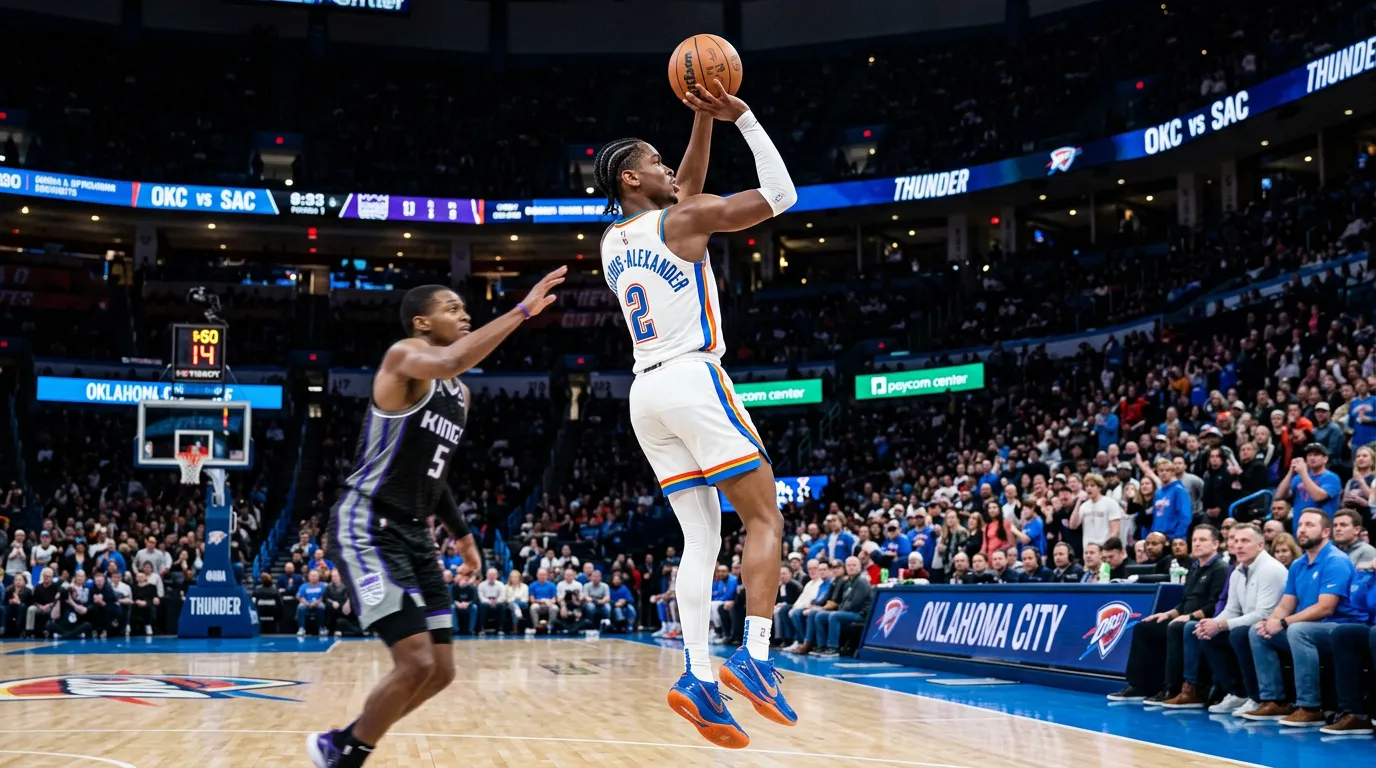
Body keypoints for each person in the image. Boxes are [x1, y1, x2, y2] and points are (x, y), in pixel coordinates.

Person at [594, 75, 798, 748]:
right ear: (630, 178)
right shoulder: (680, 220)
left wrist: (699, 122)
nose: (666, 168)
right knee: (765, 517)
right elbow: (780, 196)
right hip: (692, 377)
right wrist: (741, 116)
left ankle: (698, 677)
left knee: (701, 540)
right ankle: (757, 658)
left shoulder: (613, 241)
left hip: (644, 397)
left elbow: (684, 184)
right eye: (652, 161)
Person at [309, 271, 564, 768]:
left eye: (464, 308)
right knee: (416, 660)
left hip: (414, 530)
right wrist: (522, 312)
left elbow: (436, 473)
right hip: (367, 523)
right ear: (422, 322)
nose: (464, 313)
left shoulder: (459, 395)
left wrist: (464, 535)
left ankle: (343, 743)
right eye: (452, 308)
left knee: (441, 670)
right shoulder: (403, 357)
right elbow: (451, 358)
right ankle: (346, 755)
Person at [1241, 508, 1369, 726]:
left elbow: (1325, 608)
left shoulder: (1335, 560)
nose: (1302, 530)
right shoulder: (1298, 565)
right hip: (1310, 628)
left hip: (1339, 627)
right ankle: (1274, 700)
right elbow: (1286, 603)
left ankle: (1310, 706)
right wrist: (1271, 622)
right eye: (1300, 525)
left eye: (1309, 525)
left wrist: (1282, 623)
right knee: (1258, 632)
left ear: (1326, 532)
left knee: (1298, 630)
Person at [1162, 524, 1286, 712]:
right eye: (1236, 541)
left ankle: (1256, 696)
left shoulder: (1271, 569)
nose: (1239, 546)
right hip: (1247, 624)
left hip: (1271, 627)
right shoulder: (1237, 571)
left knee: (1239, 633)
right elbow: (1232, 609)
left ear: (1260, 545)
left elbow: (1264, 615)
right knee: (1200, 630)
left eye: (1245, 541)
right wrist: (1212, 623)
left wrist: (1220, 625)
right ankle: (1235, 693)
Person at [1109, 525, 1227, 703]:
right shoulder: (1194, 568)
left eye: (1203, 540)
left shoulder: (1220, 568)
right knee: (1144, 627)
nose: (1197, 544)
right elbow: (1185, 601)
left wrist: (1190, 616)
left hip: (1202, 620)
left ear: (1215, 544)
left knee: (1175, 628)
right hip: (1184, 617)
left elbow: (1215, 604)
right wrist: (1167, 613)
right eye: (1194, 540)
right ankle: (1140, 686)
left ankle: (1171, 688)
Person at [1275, 445, 1342, 534]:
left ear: (1325, 459)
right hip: (1299, 528)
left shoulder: (1332, 478)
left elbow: (1318, 496)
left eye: (1316, 455)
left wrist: (1303, 473)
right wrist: (1291, 472)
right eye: (1309, 455)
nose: (1312, 458)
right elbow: (1279, 496)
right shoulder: (1298, 478)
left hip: (1321, 530)